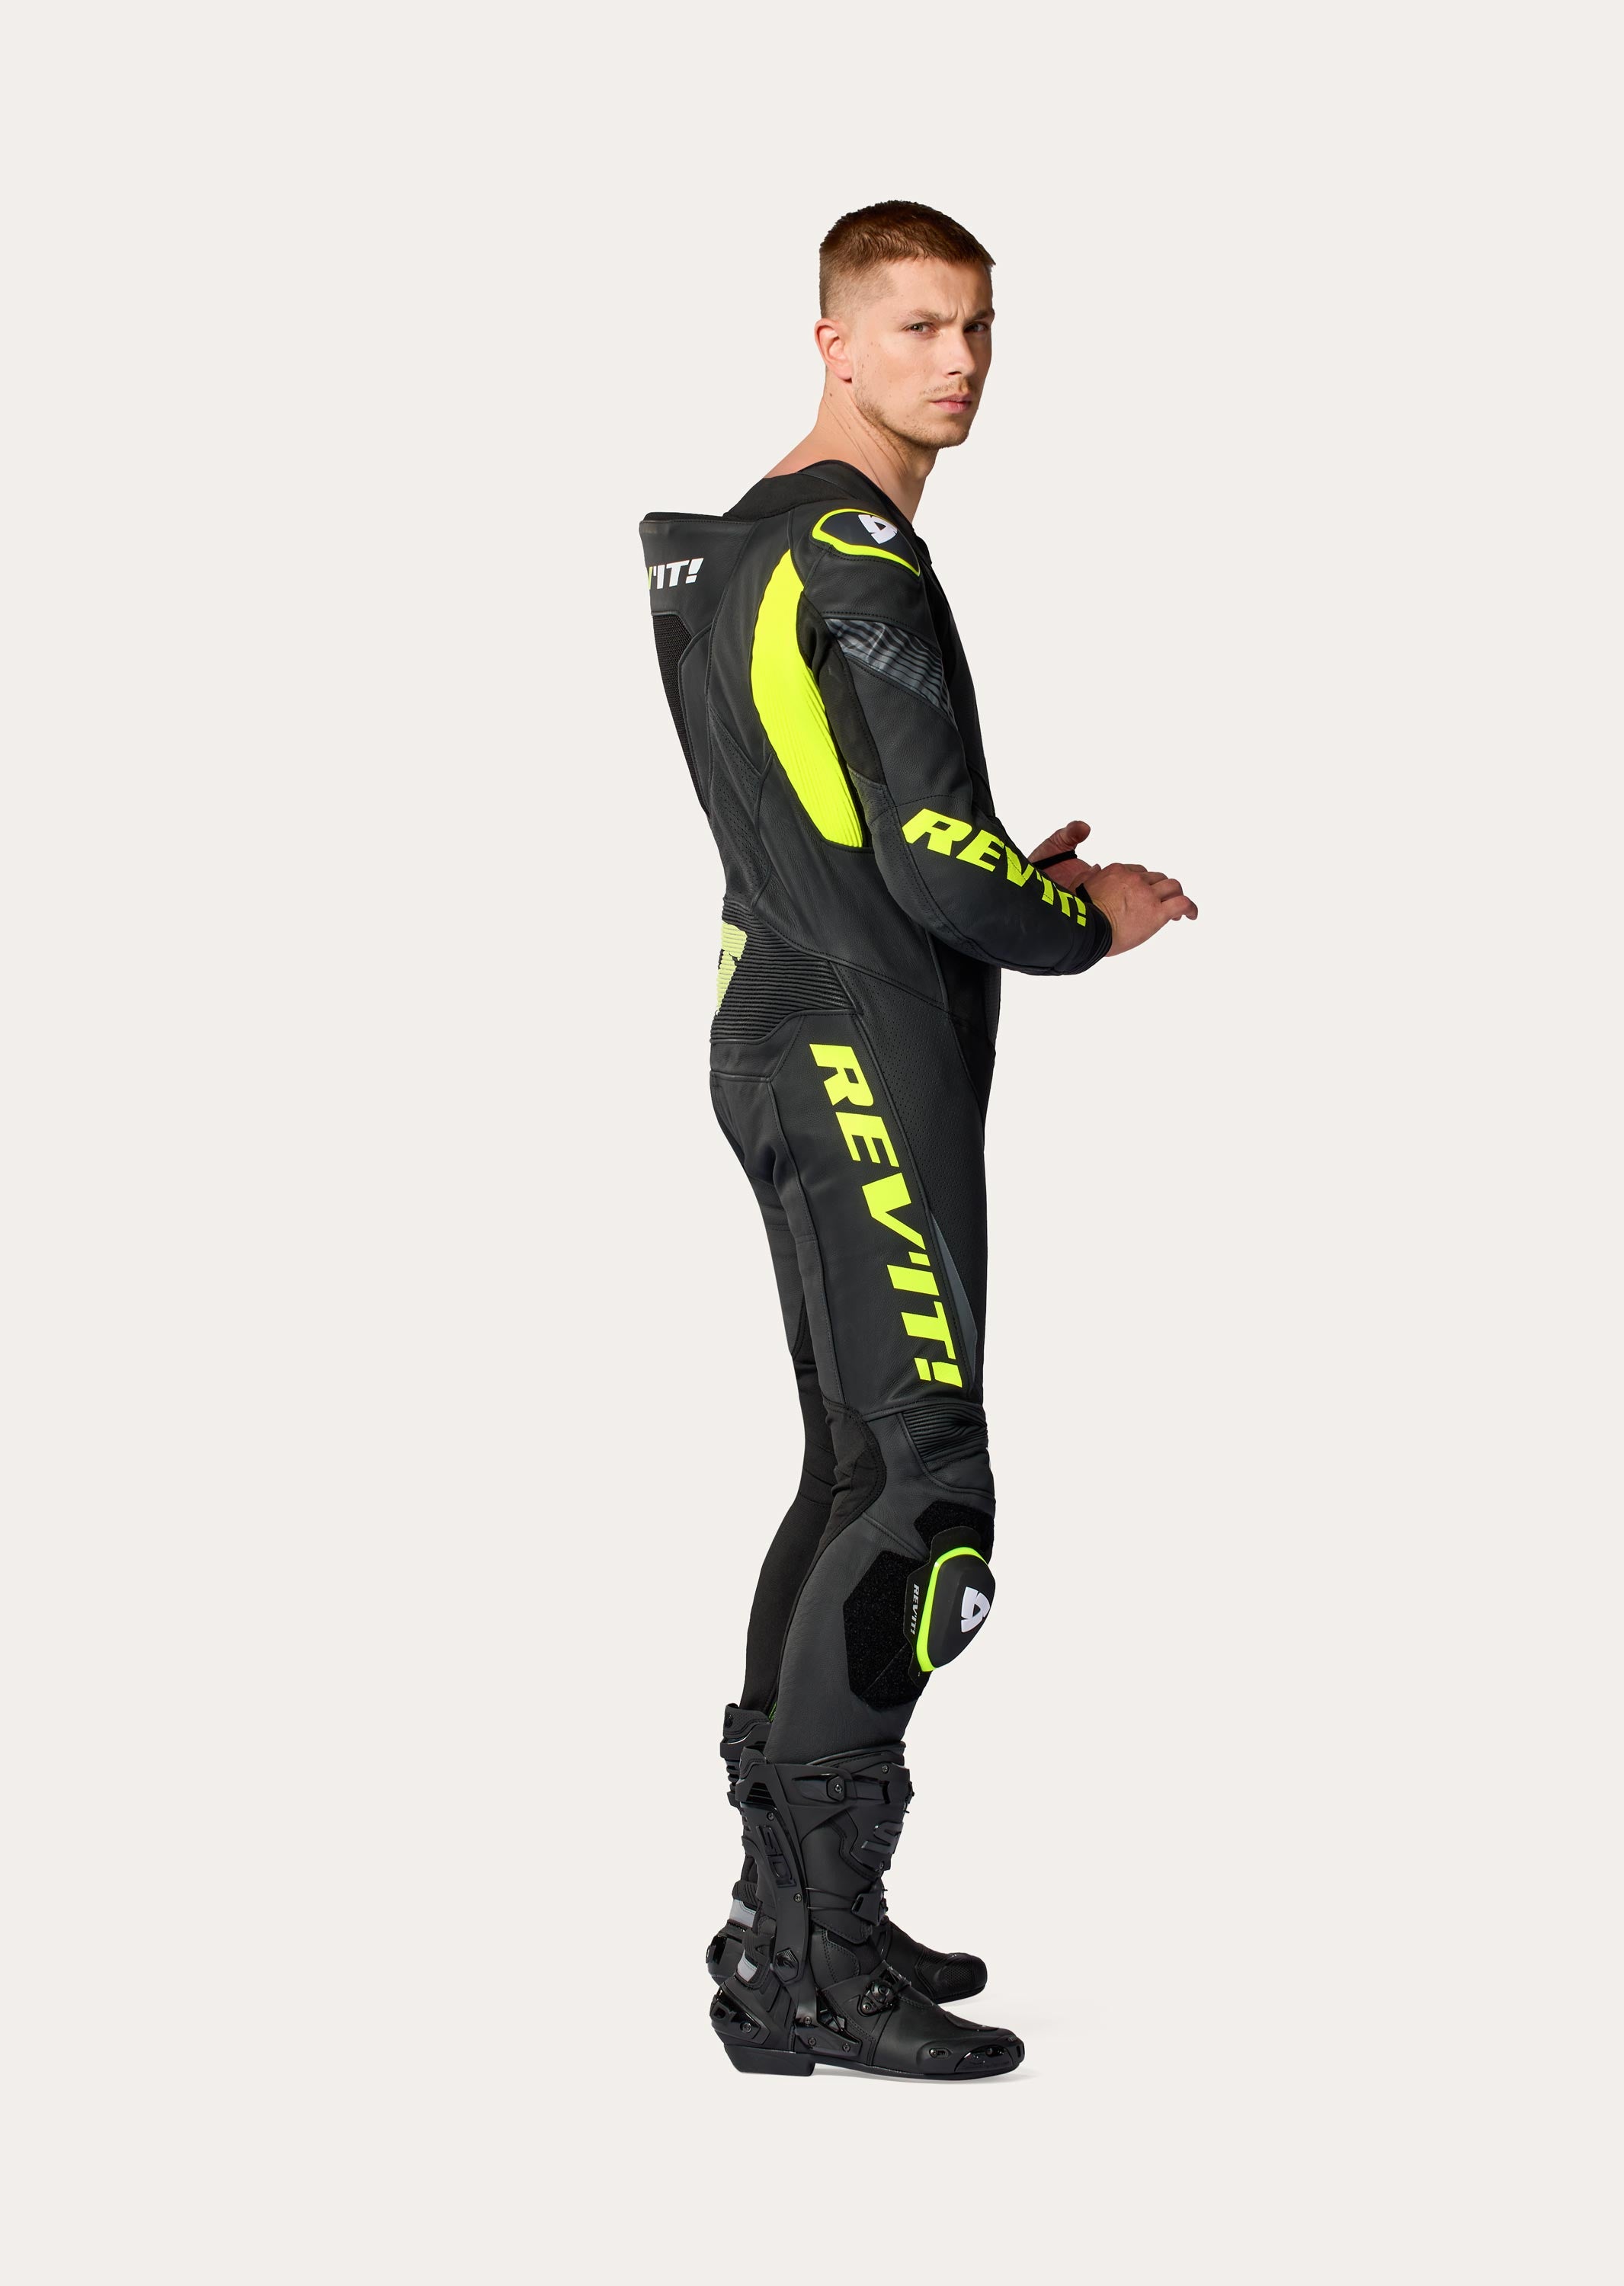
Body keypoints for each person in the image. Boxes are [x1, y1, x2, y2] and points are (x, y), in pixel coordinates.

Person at [639, 200, 1195, 2079]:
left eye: (977, 328)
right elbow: (940, 866)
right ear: (832, 342)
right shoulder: (860, 550)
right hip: (859, 1057)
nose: (956, 362)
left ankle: (790, 1933)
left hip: (789, 1029)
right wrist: (1082, 915)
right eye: (915, 328)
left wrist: (980, 893)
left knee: (853, 1471)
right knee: (928, 1504)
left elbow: (840, 832)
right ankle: (817, 1962)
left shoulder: (744, 543)